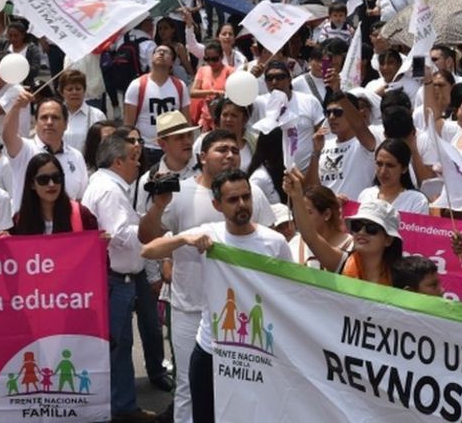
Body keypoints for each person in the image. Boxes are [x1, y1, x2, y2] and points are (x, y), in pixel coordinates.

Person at [138, 130, 275, 423]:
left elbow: (270, 245)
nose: (229, 155)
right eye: (221, 149)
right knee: (189, 388)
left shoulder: (255, 193)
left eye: (234, 149)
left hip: (244, 318)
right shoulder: (181, 192)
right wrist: (161, 209)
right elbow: (148, 240)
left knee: (243, 387)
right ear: (202, 157)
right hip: (190, 310)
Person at [80, 135, 157, 423]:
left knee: (119, 345)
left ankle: (122, 405)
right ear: (118, 161)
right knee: (117, 346)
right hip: (116, 279)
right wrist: (152, 237)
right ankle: (119, 408)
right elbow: (122, 236)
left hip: (116, 278)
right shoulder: (110, 191)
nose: (138, 164)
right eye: (134, 158)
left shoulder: (105, 185)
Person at [289, 168, 403, 285]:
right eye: (357, 226)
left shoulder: (403, 276)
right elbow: (310, 237)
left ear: (388, 240)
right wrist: (296, 196)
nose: (362, 232)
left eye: (371, 228)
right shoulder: (342, 263)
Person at [3, 92, 88, 213]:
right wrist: (16, 107)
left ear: (66, 124)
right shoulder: (24, 149)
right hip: (28, 228)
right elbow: (8, 135)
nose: (49, 122)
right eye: (44, 117)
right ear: (36, 123)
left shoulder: (76, 156)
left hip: (65, 228)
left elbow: (80, 199)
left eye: (55, 117)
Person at [124, 44, 192, 167]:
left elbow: (187, 121)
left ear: (172, 62)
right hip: (146, 147)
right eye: (157, 51)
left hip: (172, 149)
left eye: (165, 52)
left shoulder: (180, 86)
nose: (161, 53)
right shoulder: (137, 85)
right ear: (151, 58)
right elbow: (128, 125)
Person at [307, 90, 377, 198]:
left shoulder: (364, 143)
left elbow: (359, 125)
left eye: (338, 112)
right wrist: (316, 153)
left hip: (357, 212)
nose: (331, 117)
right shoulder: (323, 145)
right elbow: (311, 189)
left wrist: (337, 92)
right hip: (330, 212)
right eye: (328, 113)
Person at [12, 153, 99, 235]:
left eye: (56, 178)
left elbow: (92, 245)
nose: (51, 184)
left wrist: (101, 242)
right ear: (32, 184)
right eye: (43, 179)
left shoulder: (81, 214)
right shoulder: (19, 221)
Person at [286, 184, 352, 268]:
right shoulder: (294, 243)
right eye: (299, 212)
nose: (301, 218)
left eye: (308, 212)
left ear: (327, 214)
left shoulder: (350, 246)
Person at [358, 138, 430, 214]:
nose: (383, 171)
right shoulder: (366, 195)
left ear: (404, 168)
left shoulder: (417, 201)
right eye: (379, 164)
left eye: (390, 165)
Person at [189, 40, 233, 131]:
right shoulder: (202, 70)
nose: (211, 62)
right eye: (207, 59)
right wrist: (212, 92)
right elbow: (193, 92)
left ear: (221, 57)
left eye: (214, 59)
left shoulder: (230, 71)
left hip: (223, 118)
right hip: (206, 118)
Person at [59, 70, 106, 152]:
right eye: (69, 89)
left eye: (78, 89)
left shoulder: (97, 115)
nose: (74, 92)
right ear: (62, 92)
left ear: (84, 90)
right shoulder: (54, 114)